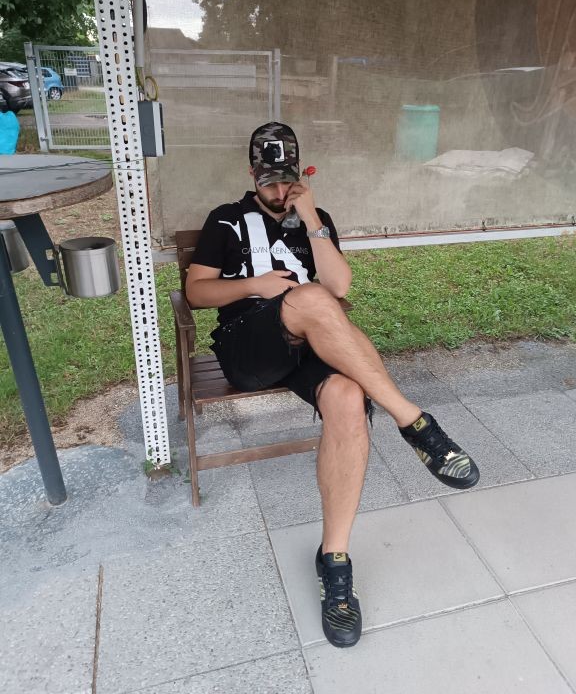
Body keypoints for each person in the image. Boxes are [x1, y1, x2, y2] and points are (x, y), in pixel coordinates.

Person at [186, 122, 480, 648]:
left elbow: (341, 285)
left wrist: (312, 218)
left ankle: (335, 562)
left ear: (301, 175)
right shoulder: (225, 219)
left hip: (308, 345)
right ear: (251, 174)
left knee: (347, 395)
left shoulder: (315, 221)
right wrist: (256, 285)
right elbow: (196, 292)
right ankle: (414, 422)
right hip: (247, 346)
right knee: (310, 298)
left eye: (287, 179)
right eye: (269, 180)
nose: (279, 190)